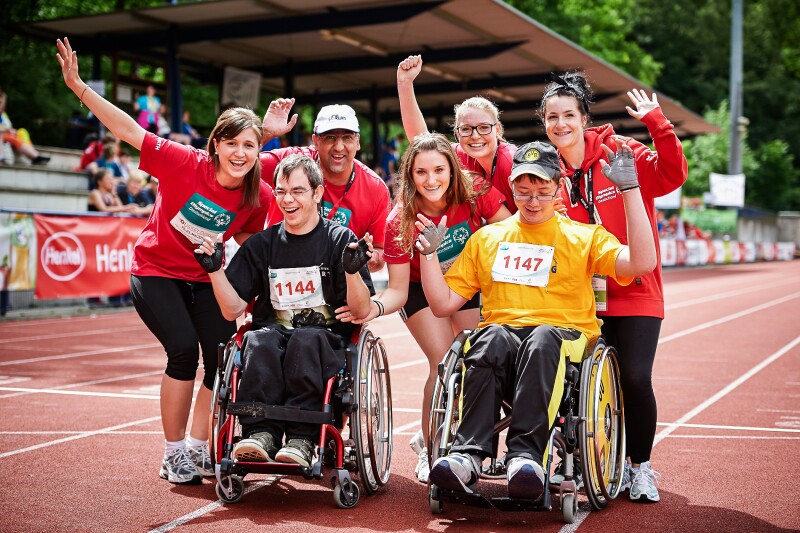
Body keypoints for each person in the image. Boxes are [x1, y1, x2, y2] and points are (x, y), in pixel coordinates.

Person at [56, 37, 273, 485]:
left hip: (203, 277)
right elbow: (127, 129)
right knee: (182, 351)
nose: (240, 153)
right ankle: (173, 452)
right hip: (155, 271)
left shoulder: (258, 194)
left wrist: (237, 271)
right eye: (231, 143)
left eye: (249, 146)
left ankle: (197, 448)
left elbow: (252, 234)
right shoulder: (181, 162)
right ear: (215, 145)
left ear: (257, 151)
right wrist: (79, 87)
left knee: (222, 356)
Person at [417, 141, 656, 501]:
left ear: (558, 187)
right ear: (511, 188)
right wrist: (430, 255)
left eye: (542, 191)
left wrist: (630, 191)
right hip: (503, 338)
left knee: (543, 338)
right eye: (523, 191)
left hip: (562, 337)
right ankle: (467, 454)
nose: (532, 200)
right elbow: (442, 304)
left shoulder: (583, 236)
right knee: (486, 336)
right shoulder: (488, 238)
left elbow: (642, 263)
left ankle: (526, 458)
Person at [540, 72, 688, 502]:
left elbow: (672, 175)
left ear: (584, 118)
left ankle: (639, 467)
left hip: (636, 288)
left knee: (636, 379)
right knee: (573, 383)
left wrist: (658, 125)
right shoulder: (547, 171)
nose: (561, 123)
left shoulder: (621, 151)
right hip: (580, 297)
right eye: (552, 117)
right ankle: (584, 462)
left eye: (569, 114)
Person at [336, 132, 511, 483]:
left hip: (467, 284)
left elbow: (513, 232)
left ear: (452, 170)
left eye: (438, 170)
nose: (431, 180)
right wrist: (372, 308)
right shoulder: (399, 221)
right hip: (419, 289)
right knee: (444, 362)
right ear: (410, 175)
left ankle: (455, 437)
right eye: (421, 172)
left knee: (478, 360)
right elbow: (398, 290)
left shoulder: (475, 192)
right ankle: (431, 450)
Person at [194, 154, 374, 467]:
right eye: (280, 191)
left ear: (317, 194)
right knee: (257, 340)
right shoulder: (262, 244)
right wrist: (214, 271)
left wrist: (351, 271)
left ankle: (302, 439)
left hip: (325, 340)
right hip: (274, 336)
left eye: (297, 191)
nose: (287, 200)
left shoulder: (339, 239)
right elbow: (232, 309)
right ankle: (260, 433)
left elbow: (361, 309)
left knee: (305, 339)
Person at [259, 99, 391, 273]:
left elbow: (380, 253)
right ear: (315, 140)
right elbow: (238, 165)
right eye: (330, 137)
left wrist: (366, 257)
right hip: (280, 274)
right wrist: (264, 134)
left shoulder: (376, 189)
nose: (339, 147)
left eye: (347, 137)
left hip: (337, 288)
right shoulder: (290, 162)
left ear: (357, 142)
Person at [397, 55, 516, 211]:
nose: (475, 136)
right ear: (457, 133)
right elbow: (420, 140)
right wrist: (405, 84)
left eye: (484, 127)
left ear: (498, 129)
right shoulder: (460, 155)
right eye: (466, 129)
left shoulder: (512, 161)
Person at [0, 91, 50, 165]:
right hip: (2, 135)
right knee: (13, 139)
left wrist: (11, 130)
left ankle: (34, 153)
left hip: (6, 134)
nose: (2, 104)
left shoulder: (3, 115)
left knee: (22, 132)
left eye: (2, 102)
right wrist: (6, 130)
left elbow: (8, 126)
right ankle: (34, 157)